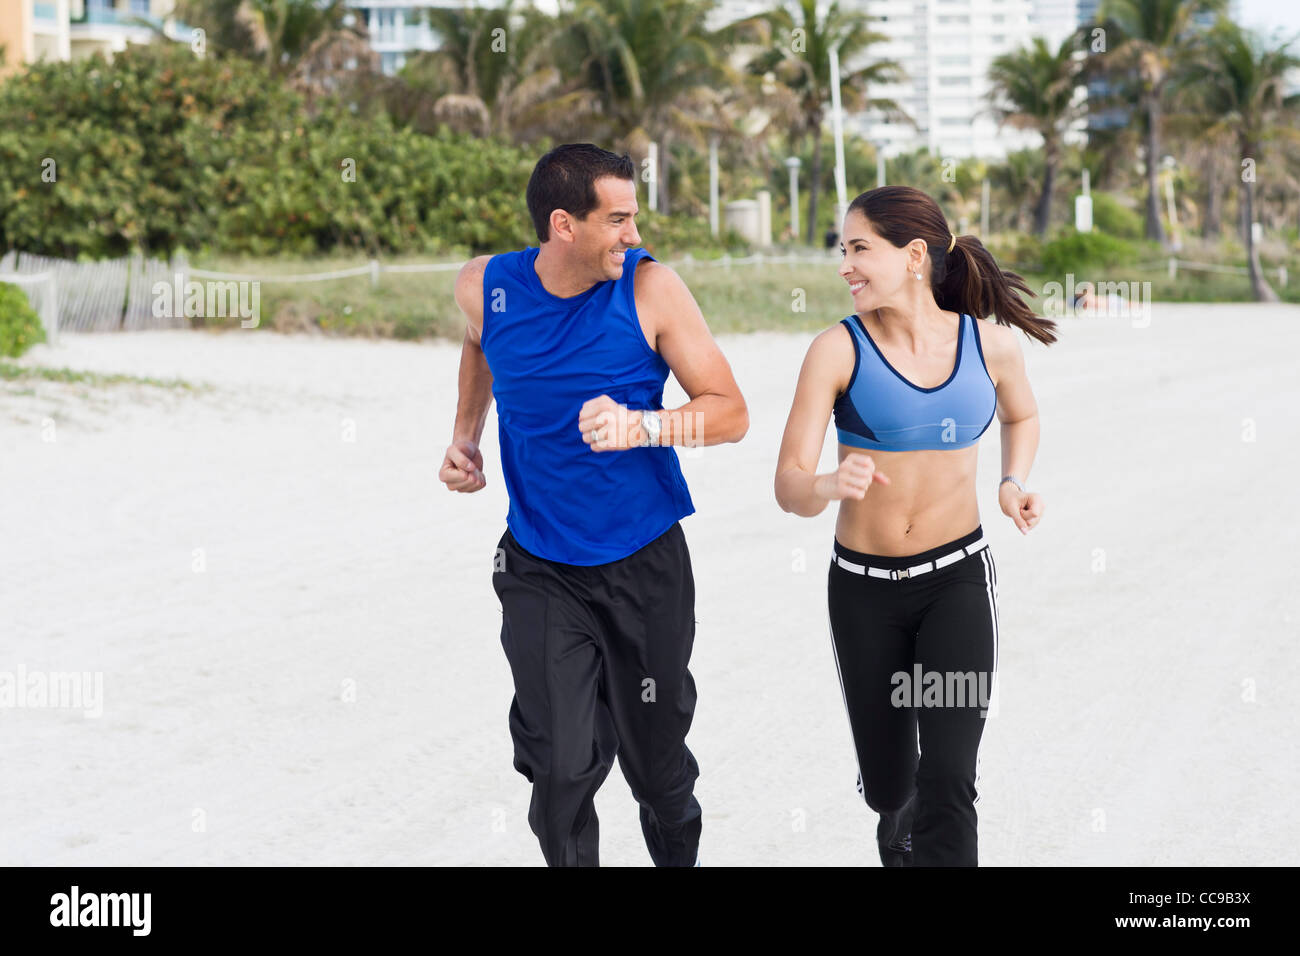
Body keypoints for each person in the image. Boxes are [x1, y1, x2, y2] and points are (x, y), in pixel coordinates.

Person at [441, 143, 749, 867]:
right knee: (558, 770)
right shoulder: (485, 285)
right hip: (540, 564)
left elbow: (731, 413)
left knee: (658, 772)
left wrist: (643, 425)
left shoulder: (651, 291)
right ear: (563, 225)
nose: (633, 235)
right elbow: (480, 344)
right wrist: (464, 437)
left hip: (644, 563)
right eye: (617, 219)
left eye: (633, 217)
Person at [774, 185, 1056, 866]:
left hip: (955, 583)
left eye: (860, 249)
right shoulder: (835, 352)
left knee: (950, 776)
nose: (845, 265)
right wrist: (825, 485)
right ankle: (895, 824)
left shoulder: (989, 347)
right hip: (864, 591)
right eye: (843, 250)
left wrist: (1011, 481)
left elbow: (1022, 415)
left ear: (914, 256)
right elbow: (788, 484)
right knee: (892, 784)